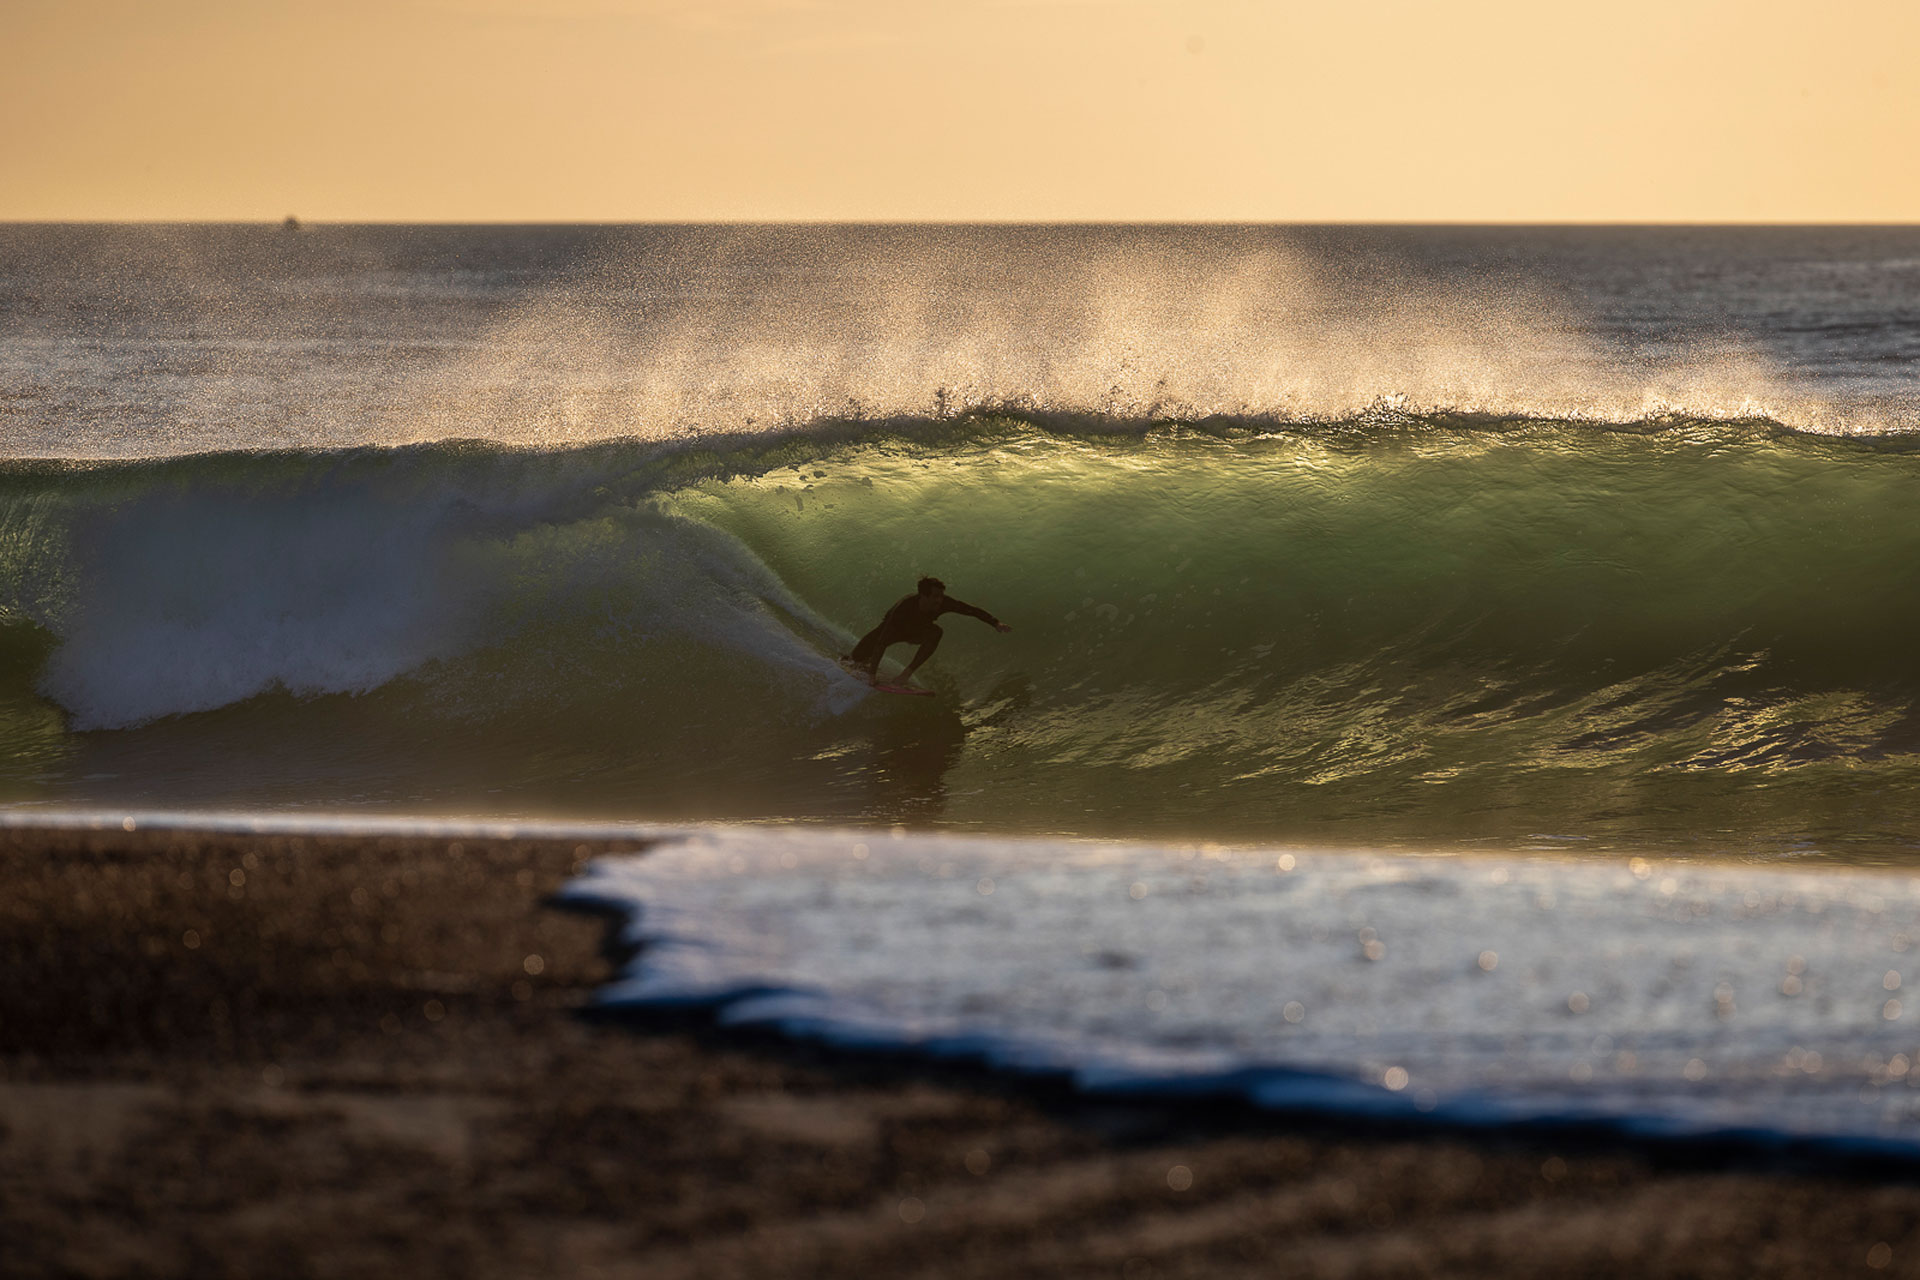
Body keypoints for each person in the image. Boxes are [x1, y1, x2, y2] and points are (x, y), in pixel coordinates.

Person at [845, 577, 1011, 685]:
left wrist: (995, 623)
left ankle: (906, 674)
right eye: (935, 597)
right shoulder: (904, 608)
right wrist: (872, 676)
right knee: (855, 659)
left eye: (941, 596)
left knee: (936, 632)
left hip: (917, 632)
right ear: (923, 596)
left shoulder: (943, 603)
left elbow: (971, 610)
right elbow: (881, 643)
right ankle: (866, 668)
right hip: (891, 631)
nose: (939, 600)